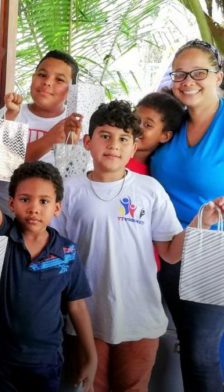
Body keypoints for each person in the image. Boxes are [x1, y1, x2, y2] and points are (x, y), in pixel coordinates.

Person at [54, 100, 224, 391]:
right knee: (91, 387)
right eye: (104, 135)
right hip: (86, 315)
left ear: (134, 148)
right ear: (87, 142)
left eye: (123, 139)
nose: (113, 145)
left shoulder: (149, 190)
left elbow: (170, 253)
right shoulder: (68, 190)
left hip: (140, 314)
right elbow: (57, 254)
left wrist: (200, 222)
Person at [0, 161, 96, 392]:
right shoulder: (3, 236)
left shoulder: (66, 253)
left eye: (44, 201)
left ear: (57, 207)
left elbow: (77, 307)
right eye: (25, 199)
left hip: (45, 363)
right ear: (13, 203)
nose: (34, 208)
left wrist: (91, 358)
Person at [150, 39, 224, 391]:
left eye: (199, 73)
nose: (188, 81)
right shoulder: (171, 119)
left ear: (219, 76)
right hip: (167, 248)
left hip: (212, 254)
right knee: (183, 344)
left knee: (200, 352)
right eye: (180, 73)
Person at [0, 50, 83, 215]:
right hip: (2, 219)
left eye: (59, 79)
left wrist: (71, 145)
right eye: (42, 75)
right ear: (33, 77)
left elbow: (74, 184)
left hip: (48, 225)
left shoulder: (75, 125)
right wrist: (48, 140)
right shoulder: (10, 112)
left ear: (72, 90)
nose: (47, 82)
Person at [127, 92, 183, 175]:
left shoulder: (147, 178)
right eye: (136, 119)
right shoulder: (108, 154)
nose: (137, 127)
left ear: (165, 136)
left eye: (148, 125)